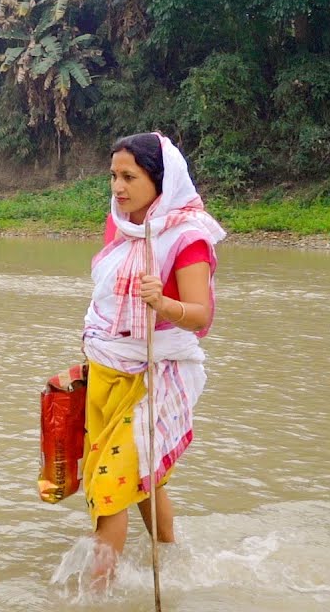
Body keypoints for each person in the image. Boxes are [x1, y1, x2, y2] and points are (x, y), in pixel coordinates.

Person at [81, 131, 226, 574]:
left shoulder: (187, 238)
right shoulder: (121, 224)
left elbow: (200, 315)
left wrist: (162, 303)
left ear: (159, 181)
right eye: (113, 176)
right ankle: (172, 555)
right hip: (105, 371)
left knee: (109, 491)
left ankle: (97, 597)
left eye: (129, 176)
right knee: (147, 479)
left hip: (152, 377)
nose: (118, 187)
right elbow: (105, 304)